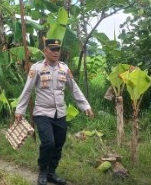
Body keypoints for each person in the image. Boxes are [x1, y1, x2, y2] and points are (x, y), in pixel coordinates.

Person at [14, 39, 95, 185]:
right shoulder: (37, 68)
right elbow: (27, 90)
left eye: (58, 49)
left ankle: (52, 173)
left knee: (59, 143)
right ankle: (43, 171)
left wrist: (86, 106)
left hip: (60, 113)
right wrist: (20, 110)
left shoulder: (64, 68)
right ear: (45, 51)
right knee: (48, 142)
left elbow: (74, 88)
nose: (56, 52)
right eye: (53, 49)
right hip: (42, 113)